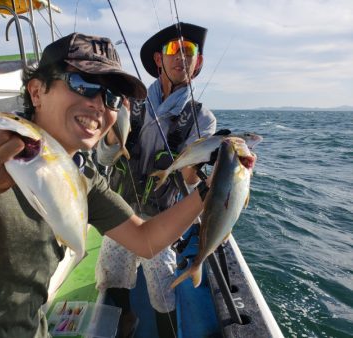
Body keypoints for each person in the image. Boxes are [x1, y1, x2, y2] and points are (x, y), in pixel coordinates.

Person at [0, 32, 211, 338]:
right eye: (82, 83)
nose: (98, 105)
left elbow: (145, 240)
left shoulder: (82, 177)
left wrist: (213, 188)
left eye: (111, 96)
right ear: (36, 91)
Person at [95, 22, 216, 338]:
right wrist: (110, 132)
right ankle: (126, 319)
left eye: (189, 52)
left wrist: (201, 172)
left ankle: (166, 333)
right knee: (111, 274)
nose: (182, 58)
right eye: (175, 49)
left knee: (162, 288)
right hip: (120, 209)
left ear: (198, 63)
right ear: (159, 59)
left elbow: (191, 180)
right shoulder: (129, 103)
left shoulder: (202, 118)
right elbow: (104, 160)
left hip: (163, 217)